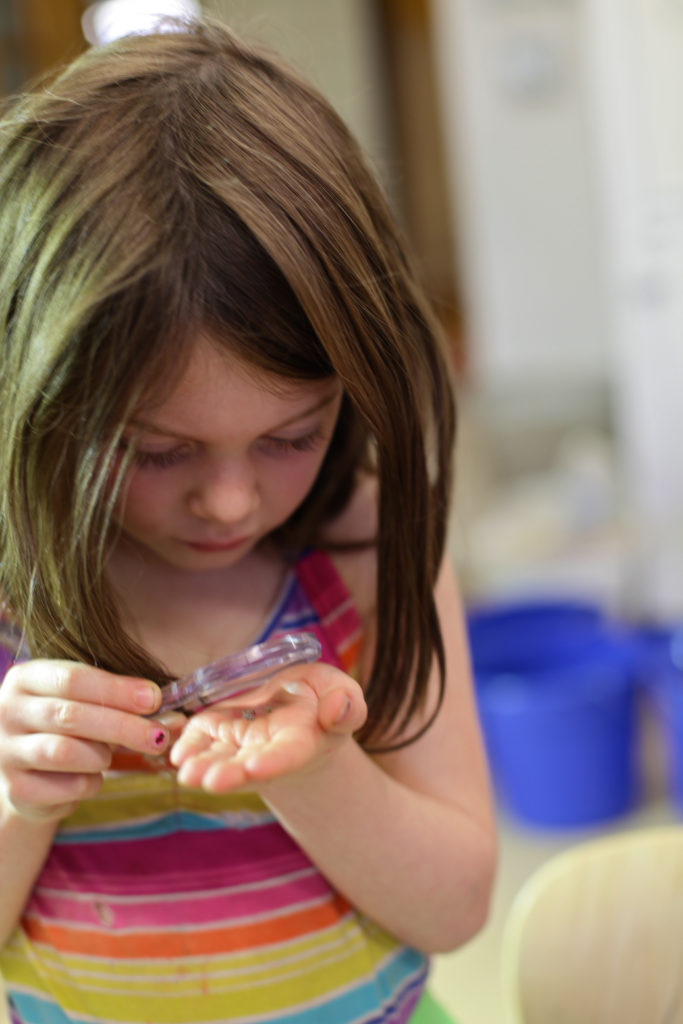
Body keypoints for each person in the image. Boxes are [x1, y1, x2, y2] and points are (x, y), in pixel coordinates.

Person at [0, 17, 496, 1024]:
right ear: (36, 403)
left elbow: (452, 906)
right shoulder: (14, 600)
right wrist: (17, 804)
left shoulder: (365, 546)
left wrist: (316, 772)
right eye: (157, 450)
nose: (228, 501)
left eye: (290, 435)